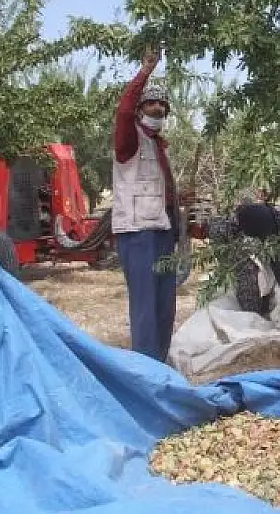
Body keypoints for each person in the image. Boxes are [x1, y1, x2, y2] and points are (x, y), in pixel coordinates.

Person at [111, 47, 187, 363]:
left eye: (162, 105)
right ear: (142, 108)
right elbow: (124, 111)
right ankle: (146, 371)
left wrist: (183, 230)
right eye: (151, 103)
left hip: (163, 233)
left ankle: (161, 364)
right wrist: (145, 72)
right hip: (138, 234)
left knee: (164, 304)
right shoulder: (129, 140)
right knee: (145, 308)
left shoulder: (159, 147)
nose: (157, 108)